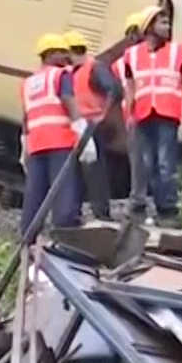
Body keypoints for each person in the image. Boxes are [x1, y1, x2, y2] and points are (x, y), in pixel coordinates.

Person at [121, 6, 182, 226]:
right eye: (162, 22)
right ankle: (159, 206)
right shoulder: (131, 55)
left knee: (165, 164)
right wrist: (130, 114)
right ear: (149, 26)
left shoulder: (177, 51)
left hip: (167, 112)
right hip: (143, 115)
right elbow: (130, 87)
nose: (167, 26)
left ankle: (168, 208)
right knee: (148, 163)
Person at [19, 34, 87, 236]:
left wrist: (25, 146)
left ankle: (27, 238)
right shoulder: (61, 75)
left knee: (34, 196)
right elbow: (69, 101)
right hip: (60, 143)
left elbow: (25, 117)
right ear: (49, 54)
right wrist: (84, 133)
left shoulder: (28, 83)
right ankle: (66, 235)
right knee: (63, 193)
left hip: (37, 145)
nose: (66, 56)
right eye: (62, 51)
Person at [63, 30, 125, 221]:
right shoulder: (73, 72)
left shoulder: (93, 68)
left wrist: (101, 115)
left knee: (94, 172)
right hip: (77, 126)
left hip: (90, 126)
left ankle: (101, 213)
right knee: (76, 172)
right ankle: (75, 212)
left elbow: (114, 90)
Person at [111, 11, 150, 213]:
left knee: (139, 158)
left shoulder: (119, 63)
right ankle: (142, 197)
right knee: (144, 158)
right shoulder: (148, 58)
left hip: (139, 114)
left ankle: (139, 197)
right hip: (146, 113)